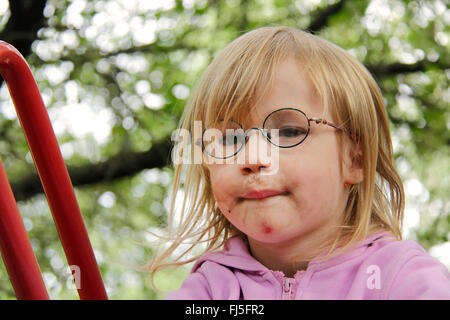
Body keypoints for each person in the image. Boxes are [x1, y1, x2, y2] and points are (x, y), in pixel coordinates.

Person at [146, 26, 450, 299]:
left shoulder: (402, 279)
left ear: (354, 159)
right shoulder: (210, 290)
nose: (253, 158)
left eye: (289, 131)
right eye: (228, 139)